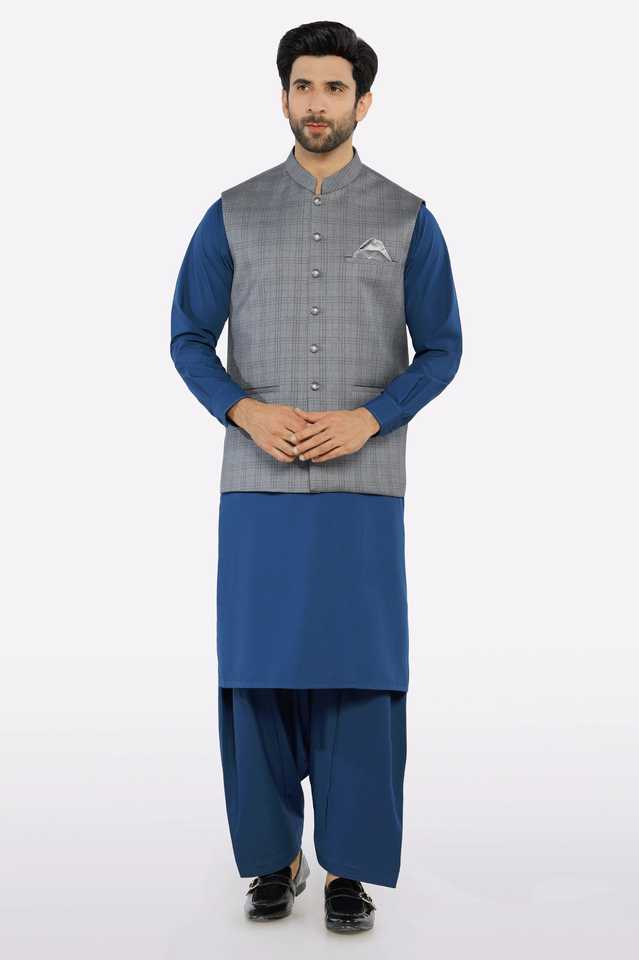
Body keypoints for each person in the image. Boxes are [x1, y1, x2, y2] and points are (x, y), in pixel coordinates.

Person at [170, 20, 462, 934]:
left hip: (363, 491)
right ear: (283, 95)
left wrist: (370, 417)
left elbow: (442, 348)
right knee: (256, 674)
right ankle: (273, 859)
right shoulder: (233, 212)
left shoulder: (406, 217)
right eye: (303, 85)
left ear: (362, 102)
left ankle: (349, 870)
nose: (316, 102)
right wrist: (242, 409)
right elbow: (187, 337)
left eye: (334, 87)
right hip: (255, 489)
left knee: (359, 677)